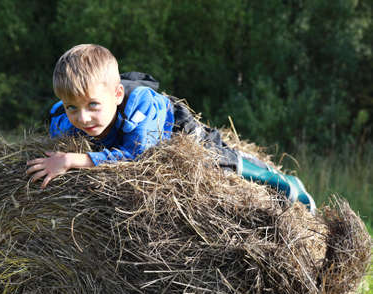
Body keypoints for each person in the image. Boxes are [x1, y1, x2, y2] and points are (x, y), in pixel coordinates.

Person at [26, 44, 316, 214]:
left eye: (92, 105)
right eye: (71, 107)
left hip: (172, 127)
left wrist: (72, 160)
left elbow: (136, 156)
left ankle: (284, 183)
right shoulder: (62, 119)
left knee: (220, 162)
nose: (83, 117)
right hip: (131, 131)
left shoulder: (140, 107)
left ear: (116, 96)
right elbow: (61, 128)